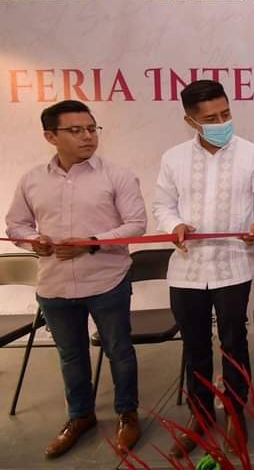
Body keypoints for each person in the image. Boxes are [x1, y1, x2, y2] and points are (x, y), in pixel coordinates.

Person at [6, 100, 147, 458]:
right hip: (54, 285)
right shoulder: (32, 180)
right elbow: (16, 225)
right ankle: (80, 416)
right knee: (70, 356)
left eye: (91, 129)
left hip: (107, 280)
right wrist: (33, 241)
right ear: (50, 136)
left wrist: (91, 243)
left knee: (119, 351)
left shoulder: (117, 175)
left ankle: (128, 414)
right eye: (76, 130)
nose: (87, 136)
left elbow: (136, 224)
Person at [153, 80, 254, 456]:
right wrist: (174, 225)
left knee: (234, 344)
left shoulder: (253, 154)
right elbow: (163, 205)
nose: (222, 122)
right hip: (187, 269)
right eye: (211, 118)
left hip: (233, 266)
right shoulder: (173, 158)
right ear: (190, 121)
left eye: (226, 113)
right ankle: (201, 414)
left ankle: (236, 414)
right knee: (194, 346)